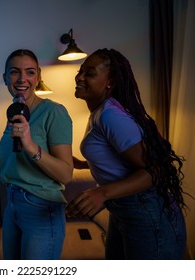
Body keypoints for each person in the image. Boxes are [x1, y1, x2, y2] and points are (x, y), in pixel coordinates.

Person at [66, 48, 187, 259]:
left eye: (90, 73)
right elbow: (121, 159)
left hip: (146, 212)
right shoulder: (101, 112)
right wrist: (83, 164)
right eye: (81, 71)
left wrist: (101, 193)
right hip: (125, 210)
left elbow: (156, 171)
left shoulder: (110, 115)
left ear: (110, 82)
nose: (80, 77)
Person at [0, 49, 73, 260]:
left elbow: (66, 174)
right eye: (14, 72)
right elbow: (17, 160)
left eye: (29, 72)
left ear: (38, 76)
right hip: (12, 204)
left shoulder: (54, 112)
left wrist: (31, 147)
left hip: (41, 207)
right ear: (5, 78)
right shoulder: (16, 110)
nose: (22, 79)